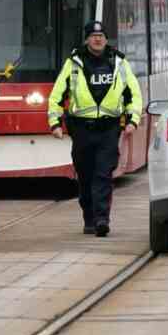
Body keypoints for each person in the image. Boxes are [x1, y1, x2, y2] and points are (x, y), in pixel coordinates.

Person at [48, 20, 142, 237]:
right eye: (93, 35)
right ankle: (89, 216)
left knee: (103, 173)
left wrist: (132, 120)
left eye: (101, 36)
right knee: (85, 175)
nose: (97, 39)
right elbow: (57, 95)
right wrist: (55, 123)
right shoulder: (73, 63)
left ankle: (102, 219)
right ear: (87, 39)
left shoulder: (118, 62)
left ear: (105, 39)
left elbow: (133, 94)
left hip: (109, 128)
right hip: (81, 129)